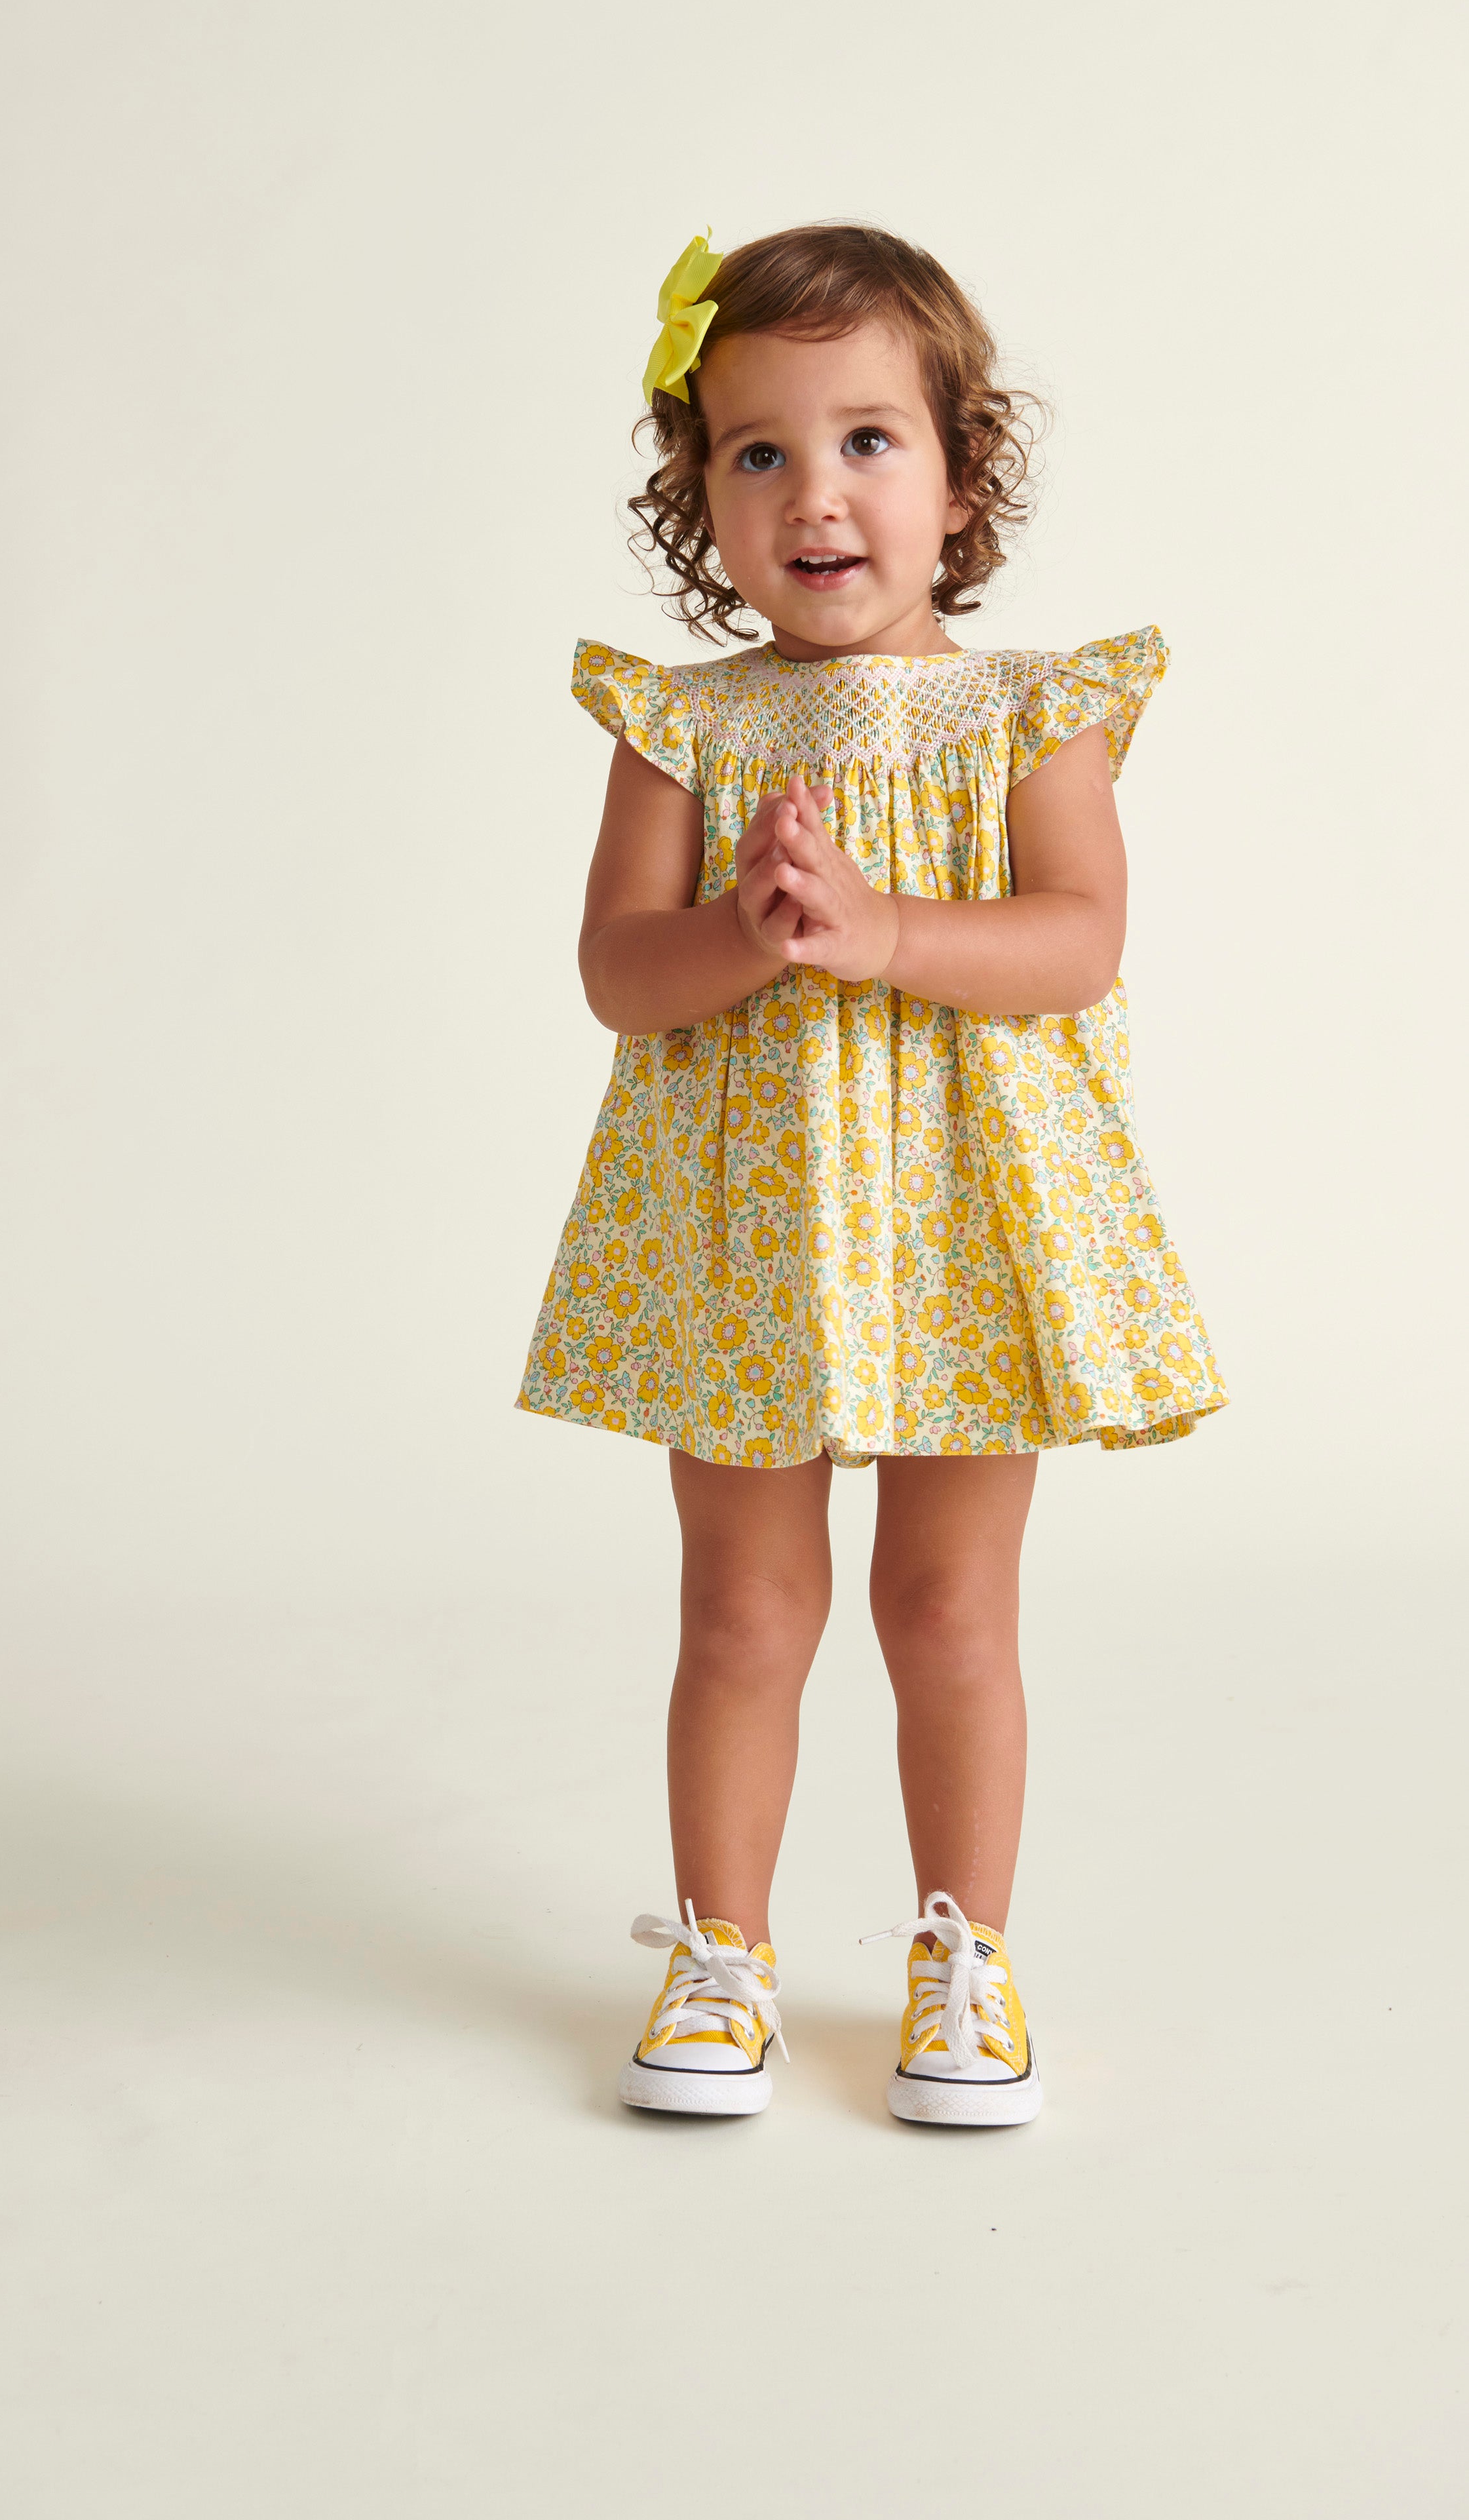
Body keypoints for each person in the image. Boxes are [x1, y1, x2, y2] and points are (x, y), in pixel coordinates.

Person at [516, 223, 1225, 2126]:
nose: (814, 493)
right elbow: (614, 973)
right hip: (747, 1236)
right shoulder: (687, 725)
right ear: (700, 500)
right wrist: (748, 936)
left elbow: (1077, 941)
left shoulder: (1031, 713)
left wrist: (885, 926)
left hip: (964, 1225)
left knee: (948, 1610)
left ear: (962, 476)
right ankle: (725, 1951)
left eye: (866, 442)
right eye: (756, 453)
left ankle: (961, 1954)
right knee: (744, 1612)